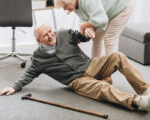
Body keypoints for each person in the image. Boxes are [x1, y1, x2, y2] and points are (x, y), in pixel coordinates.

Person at [0, 24, 150, 111]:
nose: (51, 35)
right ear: (38, 40)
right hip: (77, 81)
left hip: (91, 65)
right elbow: (28, 74)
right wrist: (14, 87)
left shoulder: (64, 33)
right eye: (45, 35)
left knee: (118, 56)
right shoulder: (38, 58)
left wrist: (87, 33)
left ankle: (144, 89)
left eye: (51, 31)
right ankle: (138, 102)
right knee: (103, 89)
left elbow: (81, 37)